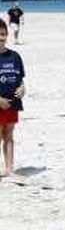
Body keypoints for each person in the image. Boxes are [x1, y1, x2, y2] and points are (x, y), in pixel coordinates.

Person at [0, 19, 25, 178]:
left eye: (2, 34)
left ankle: (10, 169)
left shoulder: (14, 56)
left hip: (12, 104)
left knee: (9, 136)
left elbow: (20, 78)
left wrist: (23, 88)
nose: (0, 38)